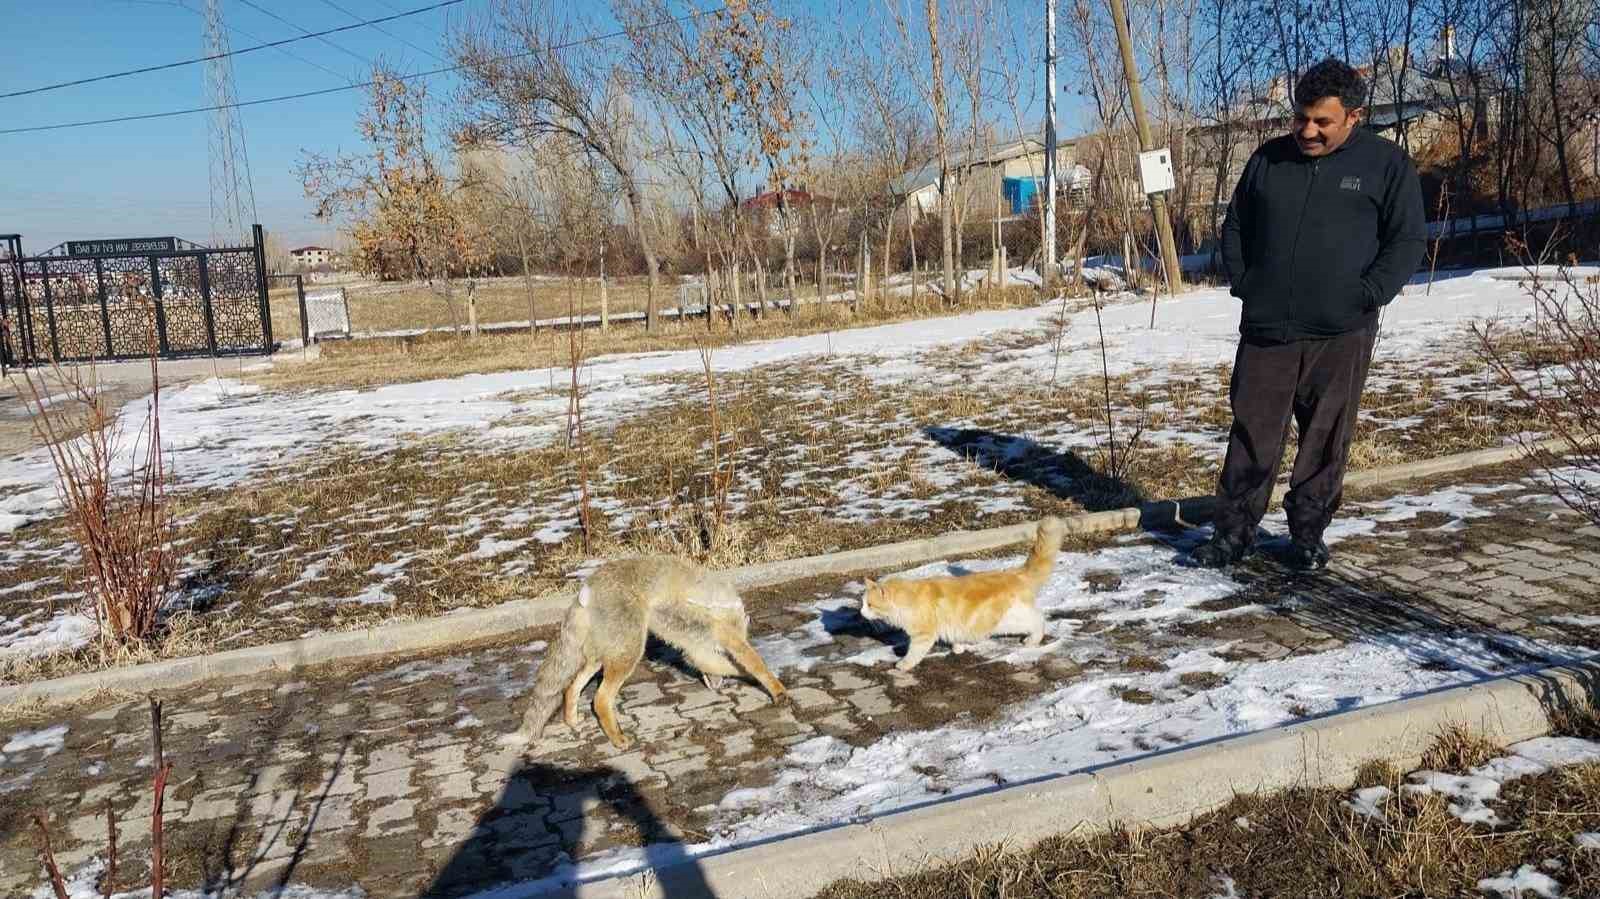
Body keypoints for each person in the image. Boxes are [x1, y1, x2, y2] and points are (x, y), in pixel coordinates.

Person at [1192, 58, 1426, 570]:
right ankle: (1232, 533)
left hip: (1341, 330)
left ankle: (1306, 534)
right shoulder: (1268, 160)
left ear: (1354, 117)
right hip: (1268, 327)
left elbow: (1407, 241)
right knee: (1253, 432)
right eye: (1301, 118)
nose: (1308, 131)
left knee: (1325, 437)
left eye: (1322, 121)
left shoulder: (1386, 166)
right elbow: (1235, 226)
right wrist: (1247, 283)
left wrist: (1366, 294)